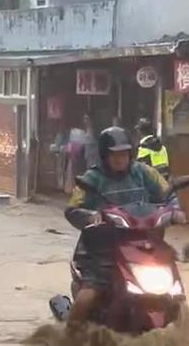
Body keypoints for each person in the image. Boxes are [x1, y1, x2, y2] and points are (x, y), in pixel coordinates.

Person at [64, 126, 177, 334]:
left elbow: (167, 193)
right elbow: (72, 209)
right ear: (105, 156)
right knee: (89, 294)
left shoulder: (144, 173)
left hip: (143, 242)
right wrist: (90, 216)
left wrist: (176, 210)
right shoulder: (92, 178)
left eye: (124, 154)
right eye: (114, 155)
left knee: (174, 284)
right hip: (102, 248)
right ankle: (69, 334)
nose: (120, 159)